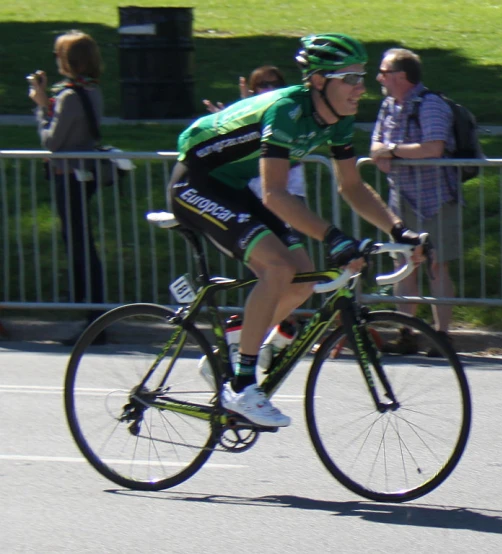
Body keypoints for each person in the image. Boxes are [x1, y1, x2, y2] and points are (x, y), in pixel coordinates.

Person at [169, 33, 424, 428]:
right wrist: (334, 237)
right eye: (351, 79)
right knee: (276, 268)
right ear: (319, 81)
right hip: (194, 183)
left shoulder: (338, 118)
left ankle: (238, 345)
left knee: (302, 277)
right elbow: (273, 193)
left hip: (232, 187)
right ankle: (240, 384)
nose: (361, 88)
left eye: (362, 77)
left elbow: (352, 186)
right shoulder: (288, 110)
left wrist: (398, 230)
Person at [203, 64, 308, 365]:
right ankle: (248, 345)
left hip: (287, 201)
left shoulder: (288, 117)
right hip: (255, 202)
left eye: (273, 83)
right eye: (260, 86)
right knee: (274, 274)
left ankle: (269, 337)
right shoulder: (258, 119)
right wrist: (233, 117)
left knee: (301, 277)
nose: (268, 89)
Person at [370, 48, 459, 357]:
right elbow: (375, 147)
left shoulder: (431, 105)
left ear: (402, 77)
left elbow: (433, 148)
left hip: (435, 198)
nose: (379, 77)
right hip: (400, 199)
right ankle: (406, 332)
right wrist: (384, 153)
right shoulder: (388, 106)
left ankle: (442, 336)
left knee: (437, 265)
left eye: (384, 72)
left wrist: (392, 151)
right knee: (403, 267)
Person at [29, 30, 106, 345]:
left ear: (69, 60)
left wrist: (39, 106)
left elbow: (51, 141)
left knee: (79, 246)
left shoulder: (71, 96)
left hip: (69, 176)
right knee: (81, 243)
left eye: (57, 55)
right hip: (81, 175)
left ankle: (93, 319)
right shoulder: (91, 91)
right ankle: (93, 315)